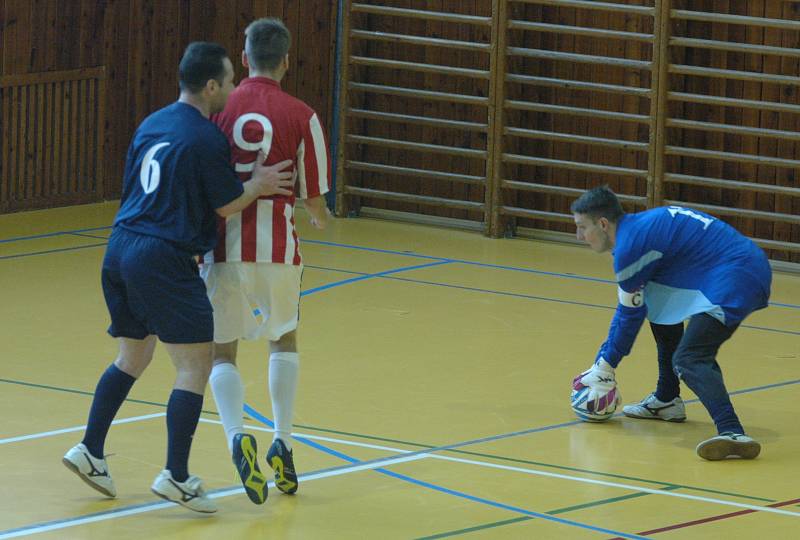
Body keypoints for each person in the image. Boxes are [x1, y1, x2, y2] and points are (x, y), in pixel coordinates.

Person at [61, 42, 295, 513]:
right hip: (162, 256)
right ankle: (178, 476)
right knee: (195, 365)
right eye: (228, 83)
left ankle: (89, 449)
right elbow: (226, 202)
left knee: (132, 355)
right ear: (211, 86)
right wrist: (259, 185)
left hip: (120, 246)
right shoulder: (206, 137)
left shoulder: (153, 123)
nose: (231, 90)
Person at [199, 18, 331, 504]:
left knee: (222, 350)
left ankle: (237, 437)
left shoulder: (218, 107)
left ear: (246, 55)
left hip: (222, 246)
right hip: (278, 249)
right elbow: (315, 198)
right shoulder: (303, 114)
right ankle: (284, 442)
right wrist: (319, 215)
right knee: (283, 338)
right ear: (287, 60)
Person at [571, 186, 771, 460]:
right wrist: (605, 363)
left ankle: (732, 432)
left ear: (603, 224)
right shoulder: (637, 230)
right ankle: (667, 399)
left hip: (737, 276)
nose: (579, 236)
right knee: (656, 300)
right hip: (731, 268)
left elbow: (629, 315)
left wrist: (604, 366)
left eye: (583, 227)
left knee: (690, 358)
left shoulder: (631, 247)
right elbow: (639, 304)